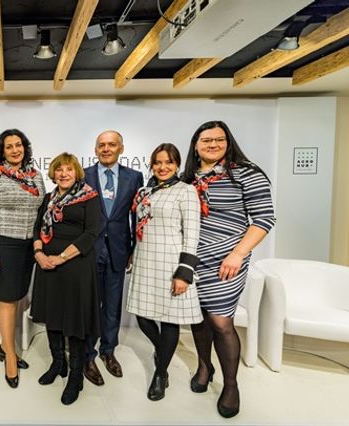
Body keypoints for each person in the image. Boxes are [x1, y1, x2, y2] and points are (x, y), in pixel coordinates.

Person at [182, 121, 276, 418]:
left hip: (227, 260)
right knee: (197, 317)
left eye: (218, 139)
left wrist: (238, 253)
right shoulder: (187, 179)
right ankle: (204, 366)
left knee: (221, 322)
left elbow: (264, 218)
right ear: (196, 145)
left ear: (228, 142)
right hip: (192, 259)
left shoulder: (246, 172)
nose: (212, 144)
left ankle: (231, 385)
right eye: (206, 140)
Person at [126, 143, 202, 401]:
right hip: (145, 260)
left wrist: (185, 272)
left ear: (177, 165)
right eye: (158, 162)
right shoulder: (145, 191)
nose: (162, 167)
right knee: (142, 316)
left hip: (171, 262)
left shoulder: (186, 191)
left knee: (169, 320)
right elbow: (138, 226)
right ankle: (162, 350)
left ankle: (160, 374)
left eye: (168, 162)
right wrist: (132, 252)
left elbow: (192, 234)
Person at [31, 153, 101, 405]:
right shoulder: (49, 199)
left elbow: (91, 233)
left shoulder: (89, 197)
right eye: (59, 169)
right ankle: (58, 363)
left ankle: (75, 376)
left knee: (74, 320)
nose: (63, 174)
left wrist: (60, 257)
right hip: (47, 265)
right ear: (53, 173)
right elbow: (37, 229)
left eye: (68, 169)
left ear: (76, 172)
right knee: (52, 315)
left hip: (75, 265)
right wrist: (39, 254)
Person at [0, 128, 45, 388]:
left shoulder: (35, 176)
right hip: (4, 245)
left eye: (19, 145)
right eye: (9, 146)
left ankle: (5, 346)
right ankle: (9, 356)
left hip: (29, 246)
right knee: (7, 301)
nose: (15, 150)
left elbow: (42, 210)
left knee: (18, 298)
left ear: (25, 148)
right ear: (2, 151)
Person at [83, 130, 143, 386]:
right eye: (101, 145)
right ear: (95, 149)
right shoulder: (83, 175)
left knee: (112, 305)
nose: (106, 149)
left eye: (111, 144)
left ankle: (108, 350)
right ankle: (87, 355)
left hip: (119, 249)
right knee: (89, 305)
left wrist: (133, 249)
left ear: (121, 148)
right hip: (89, 250)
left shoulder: (134, 177)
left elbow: (138, 216)